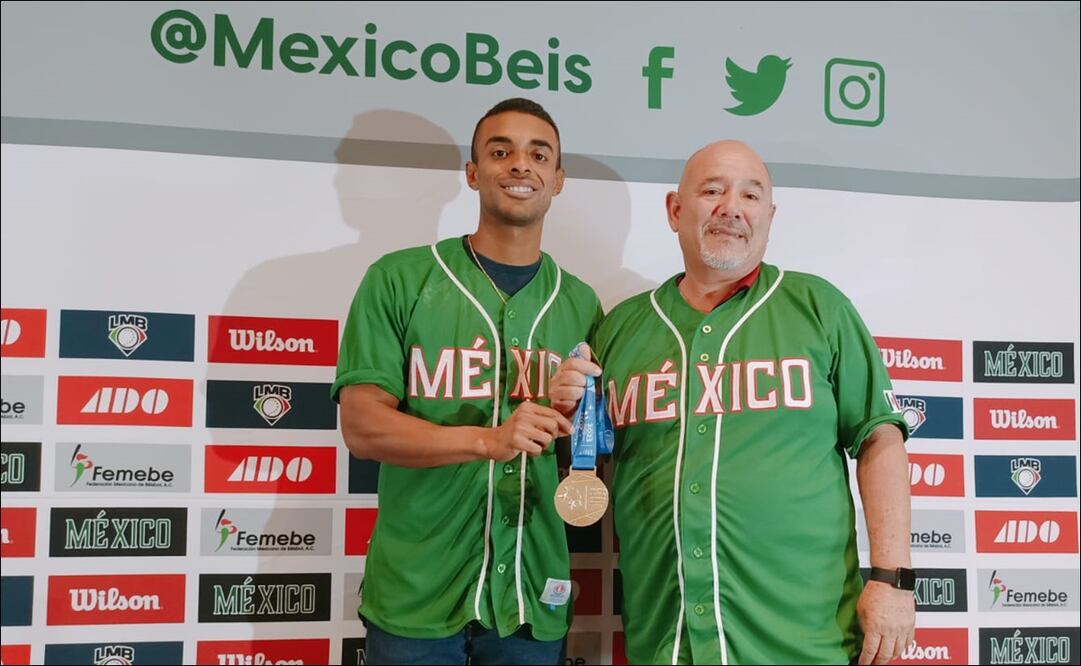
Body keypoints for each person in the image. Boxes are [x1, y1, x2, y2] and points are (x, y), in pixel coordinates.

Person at [551, 140, 914, 665]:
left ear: (770, 214)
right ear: (676, 210)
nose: (732, 208)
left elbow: (881, 437)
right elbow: (587, 464)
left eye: (750, 194)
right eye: (713, 190)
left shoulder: (819, 307)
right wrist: (565, 420)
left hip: (804, 639)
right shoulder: (621, 328)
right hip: (667, 638)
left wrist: (892, 578)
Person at [332, 98, 602, 665]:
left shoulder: (581, 305)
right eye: (499, 151)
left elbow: (594, 453)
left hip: (531, 593)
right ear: (473, 173)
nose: (519, 165)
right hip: (417, 592)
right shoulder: (398, 279)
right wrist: (488, 440)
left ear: (558, 179)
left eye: (538, 153)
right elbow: (362, 426)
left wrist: (576, 423)